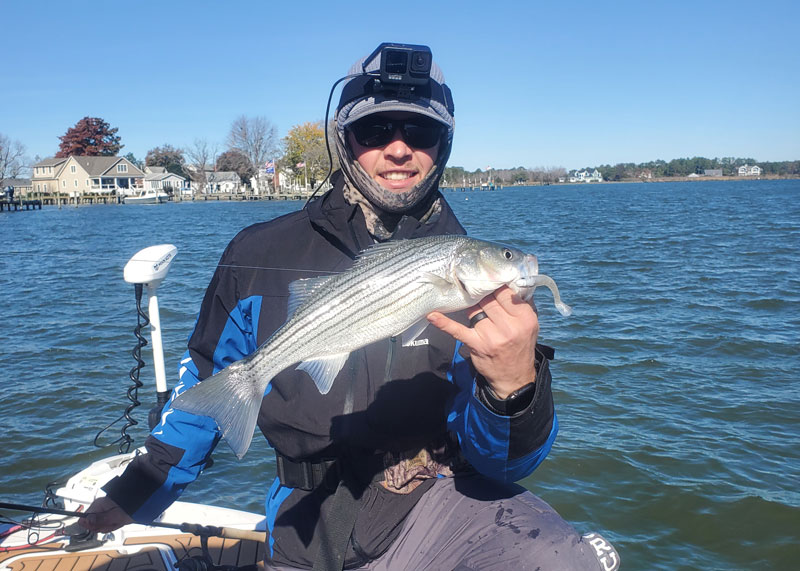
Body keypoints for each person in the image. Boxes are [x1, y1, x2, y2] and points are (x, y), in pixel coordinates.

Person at [81, 44, 618, 570]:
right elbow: (203, 381)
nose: (400, 149)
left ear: (443, 145)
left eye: (422, 131)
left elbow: (504, 464)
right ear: (344, 139)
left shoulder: (481, 291)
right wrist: (138, 489)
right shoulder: (258, 253)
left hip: (429, 504)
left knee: (560, 556)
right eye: (376, 130)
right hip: (304, 521)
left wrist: (513, 391)